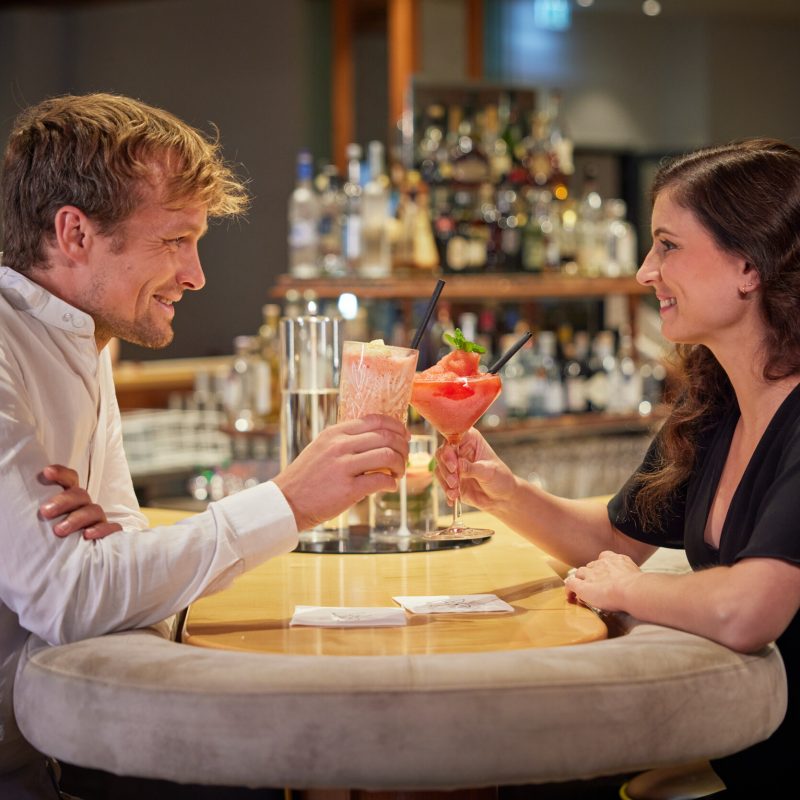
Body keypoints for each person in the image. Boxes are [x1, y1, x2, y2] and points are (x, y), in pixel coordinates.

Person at [0, 93, 409, 798]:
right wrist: (288, 501)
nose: (196, 274)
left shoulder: (85, 338)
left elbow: (117, 556)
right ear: (74, 233)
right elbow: (73, 597)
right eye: (173, 241)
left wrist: (108, 570)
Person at [437, 138, 800, 794]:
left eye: (666, 245)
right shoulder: (716, 404)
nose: (642, 272)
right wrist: (503, 491)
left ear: (749, 266)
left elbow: (750, 609)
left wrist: (624, 588)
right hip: (734, 741)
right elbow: (614, 536)